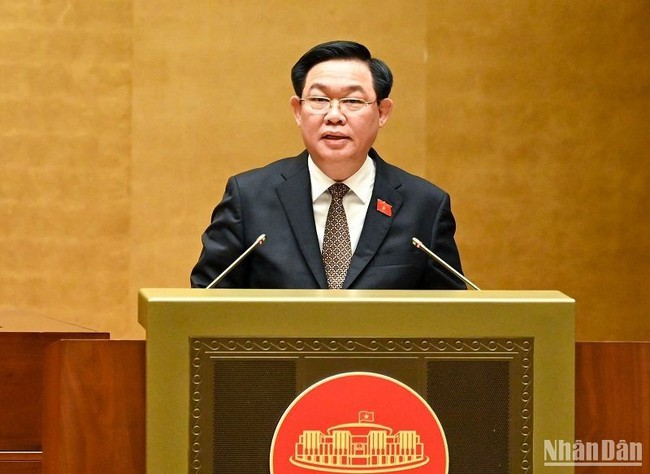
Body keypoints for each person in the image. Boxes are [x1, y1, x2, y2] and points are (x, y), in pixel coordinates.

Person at [190, 40, 466, 289]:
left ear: (382, 112)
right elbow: (205, 299)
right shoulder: (248, 197)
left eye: (352, 101)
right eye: (320, 100)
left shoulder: (425, 206)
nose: (334, 115)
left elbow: (453, 317)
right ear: (298, 111)